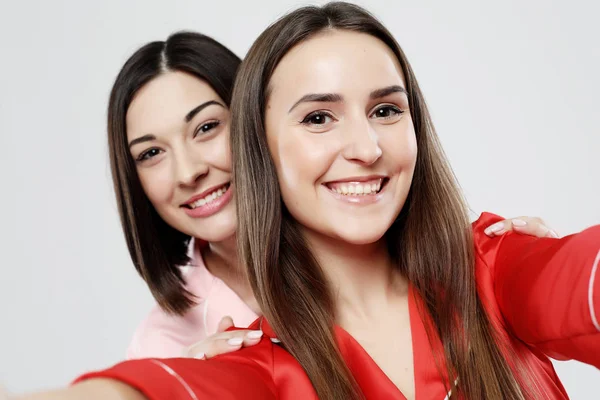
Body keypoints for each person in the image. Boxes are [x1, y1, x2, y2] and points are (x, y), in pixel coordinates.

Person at [13, 2, 599, 399]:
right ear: (261, 151)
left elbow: (577, 283)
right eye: (318, 117)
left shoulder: (491, 268)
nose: (365, 147)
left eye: (386, 110)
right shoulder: (252, 360)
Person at [109, 31, 552, 361]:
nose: (189, 171)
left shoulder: (369, 233)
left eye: (207, 128)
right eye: (150, 153)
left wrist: (520, 266)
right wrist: (182, 384)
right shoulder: (164, 345)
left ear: (257, 125)